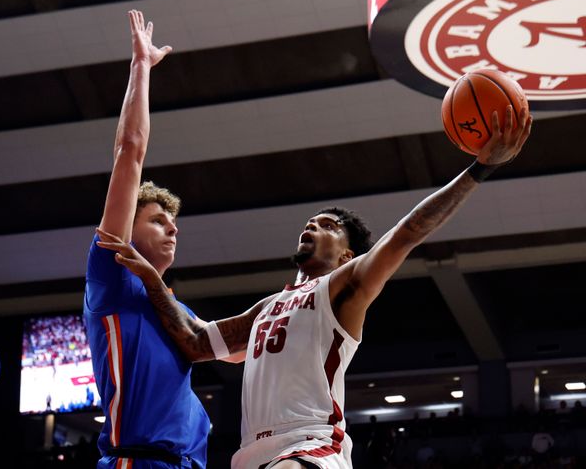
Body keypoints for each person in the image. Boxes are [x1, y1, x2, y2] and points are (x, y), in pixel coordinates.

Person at [95, 104, 532, 469]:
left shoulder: (344, 288)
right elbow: (192, 341)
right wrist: (153, 278)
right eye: (312, 221)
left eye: (328, 226)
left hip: (310, 446)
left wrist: (480, 168)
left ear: (347, 255)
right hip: (252, 455)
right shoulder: (267, 307)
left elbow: (409, 231)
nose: (313, 224)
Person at [84, 9, 235, 469]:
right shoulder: (111, 277)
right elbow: (130, 150)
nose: (172, 228)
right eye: (157, 221)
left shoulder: (177, 311)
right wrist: (141, 68)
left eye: (174, 224)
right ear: (127, 228)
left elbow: (237, 350)